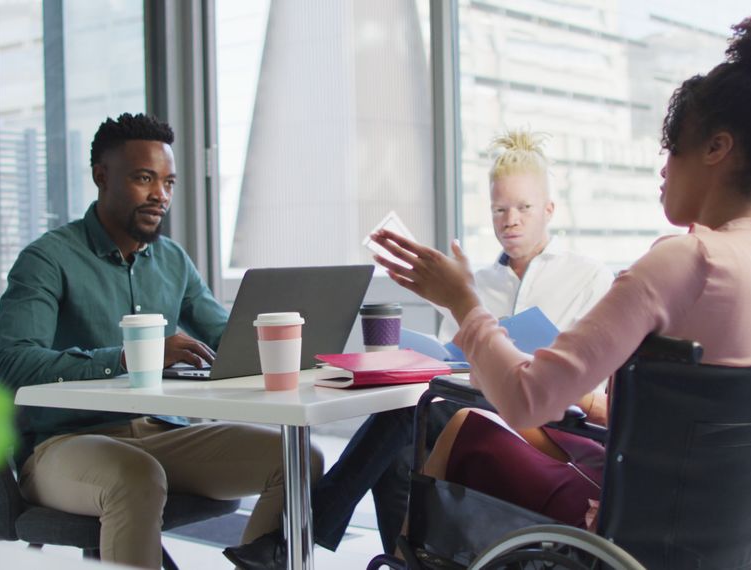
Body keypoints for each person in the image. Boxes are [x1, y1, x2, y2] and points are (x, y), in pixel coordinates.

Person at [370, 14, 751, 531]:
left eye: (672, 148)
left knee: (463, 430)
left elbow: (528, 399)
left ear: (716, 149)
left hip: (642, 526)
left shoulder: (685, 261)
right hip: (733, 528)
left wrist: (463, 302)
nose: (664, 168)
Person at [222, 129, 613, 566]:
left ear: (549, 209)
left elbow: (596, 377)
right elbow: (457, 359)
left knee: (407, 413)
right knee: (403, 431)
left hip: (551, 417)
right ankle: (406, 556)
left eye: (523, 208)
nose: (511, 220)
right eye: (500, 209)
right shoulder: (479, 281)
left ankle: (318, 540)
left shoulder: (589, 276)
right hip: (479, 397)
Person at [0, 112, 322, 570]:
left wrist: (301, 346)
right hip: (63, 444)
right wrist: (129, 358)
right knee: (136, 475)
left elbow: (226, 335)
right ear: (101, 177)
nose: (160, 196)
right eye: (145, 179)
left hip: (162, 433)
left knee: (296, 458)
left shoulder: (171, 260)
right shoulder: (47, 259)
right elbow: (12, 364)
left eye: (168, 182)